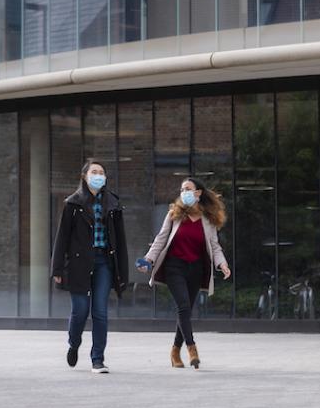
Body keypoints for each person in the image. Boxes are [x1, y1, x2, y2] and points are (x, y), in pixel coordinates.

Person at [139, 177, 230, 369]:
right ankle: (191, 348)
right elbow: (161, 239)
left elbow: (214, 246)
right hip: (174, 267)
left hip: (195, 269)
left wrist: (222, 264)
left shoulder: (207, 219)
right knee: (183, 306)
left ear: (198, 193)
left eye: (188, 189)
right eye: (182, 190)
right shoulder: (174, 214)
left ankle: (174, 351)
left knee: (186, 310)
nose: (184, 193)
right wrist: (149, 259)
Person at [51, 159, 128, 373]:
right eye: (94, 172)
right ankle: (73, 344)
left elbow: (120, 241)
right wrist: (57, 268)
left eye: (101, 172)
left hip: (104, 262)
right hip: (78, 263)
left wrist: (123, 270)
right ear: (84, 176)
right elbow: (62, 237)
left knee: (100, 311)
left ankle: (98, 359)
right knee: (80, 311)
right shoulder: (73, 204)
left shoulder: (113, 204)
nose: (99, 175)